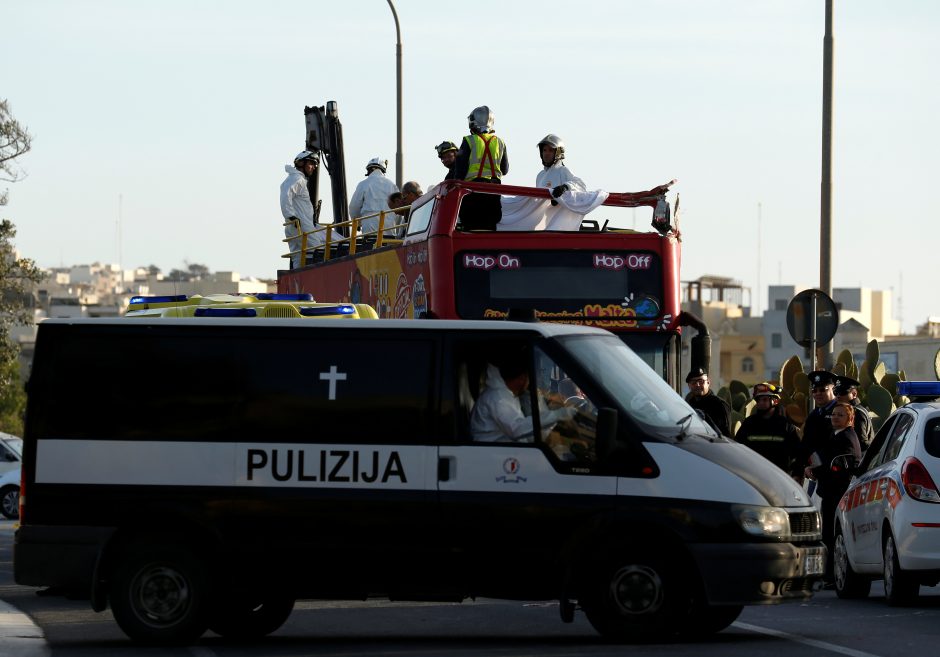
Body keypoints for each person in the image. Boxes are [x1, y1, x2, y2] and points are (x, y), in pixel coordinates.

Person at [804, 401, 862, 583]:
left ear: (850, 419)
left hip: (836, 492)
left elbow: (836, 467)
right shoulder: (836, 435)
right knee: (829, 533)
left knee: (831, 534)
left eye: (840, 415)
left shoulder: (846, 438)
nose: (835, 417)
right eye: (834, 414)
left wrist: (814, 471)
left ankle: (831, 575)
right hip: (830, 491)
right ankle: (829, 573)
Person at [470, 353, 576, 443]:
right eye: (529, 379)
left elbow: (527, 433)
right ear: (522, 379)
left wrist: (553, 410)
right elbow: (516, 429)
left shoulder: (507, 395)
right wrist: (558, 415)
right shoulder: (498, 398)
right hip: (492, 454)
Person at [455, 106, 509, 231]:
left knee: (471, 228)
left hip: (473, 192)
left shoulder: (468, 140)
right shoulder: (500, 142)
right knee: (489, 228)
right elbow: (504, 169)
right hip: (493, 192)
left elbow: (460, 172)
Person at [734, 382, 802, 479]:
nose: (760, 403)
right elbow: (738, 448)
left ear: (775, 401)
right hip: (753, 478)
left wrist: (797, 474)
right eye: (758, 400)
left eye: (765, 400)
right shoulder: (749, 424)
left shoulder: (785, 426)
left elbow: (797, 454)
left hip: (780, 478)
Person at [279, 151, 322, 268]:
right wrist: (290, 215)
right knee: (320, 251)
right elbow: (285, 195)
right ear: (301, 163)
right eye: (312, 163)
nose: (313, 167)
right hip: (301, 226)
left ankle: (299, 283)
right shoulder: (297, 179)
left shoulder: (293, 178)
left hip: (294, 225)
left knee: (299, 257)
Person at [349, 157, 399, 239]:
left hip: (370, 229)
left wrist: (357, 223)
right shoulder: (392, 185)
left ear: (369, 170)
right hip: (389, 230)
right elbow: (398, 208)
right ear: (383, 171)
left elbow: (354, 207)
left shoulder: (363, 184)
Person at [800, 370, 839, 471]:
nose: (818, 393)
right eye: (814, 390)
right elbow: (806, 444)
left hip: (836, 471)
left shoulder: (842, 412)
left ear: (833, 389)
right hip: (815, 470)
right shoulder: (814, 415)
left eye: (822, 390)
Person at [684, 368, 732, 437]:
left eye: (701, 381)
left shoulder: (719, 405)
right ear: (689, 386)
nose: (697, 385)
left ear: (708, 383)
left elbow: (725, 436)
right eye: (693, 382)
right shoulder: (689, 404)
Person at [834, 376, 875, 451]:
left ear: (854, 394)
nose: (838, 396)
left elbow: (862, 444)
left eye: (843, 392)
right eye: (836, 392)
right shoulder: (846, 410)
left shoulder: (856, 413)